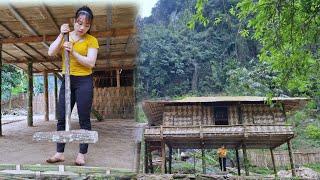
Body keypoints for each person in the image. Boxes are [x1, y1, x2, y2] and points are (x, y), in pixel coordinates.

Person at [46, 6, 99, 166]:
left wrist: (73, 52)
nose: (82, 27)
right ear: (74, 21)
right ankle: (59, 153)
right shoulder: (66, 36)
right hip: (68, 80)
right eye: (79, 23)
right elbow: (51, 52)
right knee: (62, 117)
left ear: (90, 26)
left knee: (84, 119)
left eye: (86, 25)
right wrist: (62, 35)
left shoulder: (92, 41)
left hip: (84, 81)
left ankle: (81, 155)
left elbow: (90, 62)